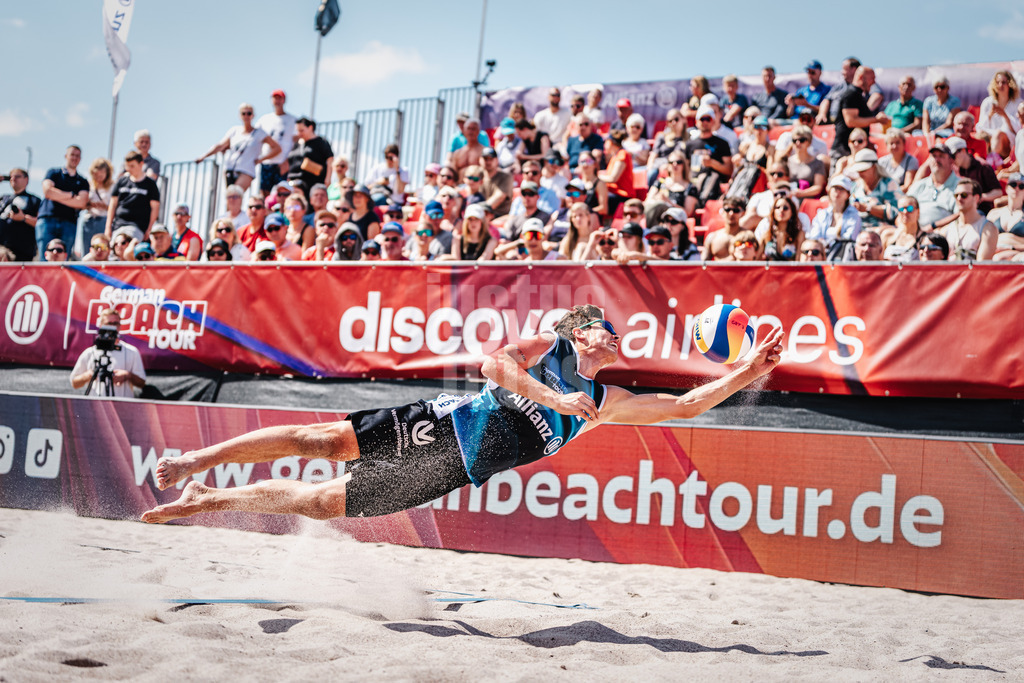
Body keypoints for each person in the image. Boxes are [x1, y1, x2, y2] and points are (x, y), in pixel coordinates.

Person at [140, 306, 783, 523]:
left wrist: (747, 371)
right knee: (319, 439)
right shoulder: (555, 350)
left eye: (615, 332)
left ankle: (210, 501)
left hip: (452, 470)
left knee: (318, 503)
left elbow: (690, 403)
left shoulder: (608, 403)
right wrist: (555, 398)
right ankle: (196, 460)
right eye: (604, 328)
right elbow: (494, 366)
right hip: (446, 422)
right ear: (582, 332)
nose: (615, 335)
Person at [195, 103, 280, 190]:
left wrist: (261, 159)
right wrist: (203, 156)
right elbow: (220, 145)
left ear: (253, 115)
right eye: (244, 113)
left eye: (249, 113)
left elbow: (277, 148)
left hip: (247, 170)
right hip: (230, 168)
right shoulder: (234, 130)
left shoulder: (259, 133)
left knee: (236, 194)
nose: (246, 116)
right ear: (240, 115)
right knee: (230, 197)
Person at [70, 308, 146, 398]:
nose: (112, 327)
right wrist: (88, 375)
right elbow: (74, 383)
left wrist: (128, 375)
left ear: (120, 325)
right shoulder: (90, 353)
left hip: (122, 407)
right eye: (109, 324)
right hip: (96, 406)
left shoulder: (132, 352)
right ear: (101, 325)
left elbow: (141, 383)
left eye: (115, 324)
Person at [38, 145, 90, 259]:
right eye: (72, 154)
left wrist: (56, 196)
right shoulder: (53, 173)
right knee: (44, 259)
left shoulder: (82, 181)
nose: (74, 158)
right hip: (47, 220)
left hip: (69, 223)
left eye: (77, 156)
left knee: (63, 262)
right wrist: (71, 195)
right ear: (66, 156)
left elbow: (81, 203)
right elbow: (47, 192)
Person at [832, 66, 889, 163]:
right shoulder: (851, 94)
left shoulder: (858, 95)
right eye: (872, 78)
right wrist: (877, 120)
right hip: (844, 151)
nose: (874, 82)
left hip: (853, 151)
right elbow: (851, 121)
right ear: (861, 78)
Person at [906, 139, 961, 230]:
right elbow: (903, 206)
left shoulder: (960, 186)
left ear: (951, 161)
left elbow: (961, 214)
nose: (936, 159)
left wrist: (934, 226)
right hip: (915, 231)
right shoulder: (920, 185)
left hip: (945, 232)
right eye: (933, 156)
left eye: (941, 156)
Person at [106, 151, 160, 241]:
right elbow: (112, 205)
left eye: (132, 166)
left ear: (141, 164)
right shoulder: (121, 181)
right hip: (118, 226)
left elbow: (155, 208)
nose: (128, 169)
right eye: (127, 166)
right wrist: (108, 228)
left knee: (126, 247)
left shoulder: (150, 184)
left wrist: (149, 230)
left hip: (138, 228)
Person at [685, 106, 733, 207]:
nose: (705, 122)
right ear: (697, 121)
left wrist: (712, 163)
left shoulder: (722, 143)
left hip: (713, 185)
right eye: (702, 119)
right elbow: (685, 167)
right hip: (693, 182)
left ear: (713, 121)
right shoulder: (690, 144)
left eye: (708, 119)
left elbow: (729, 170)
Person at [941, 179, 998, 261]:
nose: (959, 198)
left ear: (976, 198)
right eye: (956, 195)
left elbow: (982, 266)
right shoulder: (947, 229)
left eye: (964, 195)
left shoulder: (988, 229)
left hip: (972, 273)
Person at [807, 176, 862, 260]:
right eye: (835, 188)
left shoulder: (854, 215)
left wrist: (826, 243)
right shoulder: (822, 214)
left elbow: (849, 238)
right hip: (821, 255)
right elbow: (814, 236)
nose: (838, 192)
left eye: (842, 189)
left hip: (842, 256)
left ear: (848, 195)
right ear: (829, 191)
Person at [256, 90, 298, 197]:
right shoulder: (264, 119)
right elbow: (255, 138)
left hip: (282, 163)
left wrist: (288, 161)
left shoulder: (292, 120)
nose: (277, 101)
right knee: (264, 193)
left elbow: (297, 142)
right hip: (266, 163)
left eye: (280, 98)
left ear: (284, 100)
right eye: (275, 98)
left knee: (282, 193)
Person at [850, 150, 902, 229]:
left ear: (874, 167)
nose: (860, 173)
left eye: (864, 170)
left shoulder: (888, 184)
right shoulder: (856, 186)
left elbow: (896, 211)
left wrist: (868, 208)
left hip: (881, 231)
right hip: (857, 230)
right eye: (858, 171)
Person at [75, 158, 114, 259]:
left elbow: (115, 207)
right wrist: (89, 204)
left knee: (102, 250)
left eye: (101, 175)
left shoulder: (112, 186)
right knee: (88, 251)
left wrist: (104, 206)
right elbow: (81, 204)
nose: (98, 177)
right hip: (89, 220)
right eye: (96, 175)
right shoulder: (88, 185)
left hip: (104, 220)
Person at [977, 71, 1021, 160]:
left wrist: (1005, 115)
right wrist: (990, 115)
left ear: (1010, 84)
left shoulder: (1018, 103)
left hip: (1009, 142)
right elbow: (980, 127)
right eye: (998, 82)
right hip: (989, 137)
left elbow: (1019, 130)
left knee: (998, 134)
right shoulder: (987, 102)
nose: (1000, 85)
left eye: (1004, 82)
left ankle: (993, 165)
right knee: (979, 136)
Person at [0, 168, 41, 261]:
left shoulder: (34, 200)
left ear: (26, 179)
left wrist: (23, 218)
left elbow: (40, 224)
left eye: (17, 176)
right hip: (1, 249)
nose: (13, 179)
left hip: (22, 252)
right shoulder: (3, 198)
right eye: (11, 177)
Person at [287, 117, 334, 189]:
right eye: (297, 131)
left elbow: (330, 159)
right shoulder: (297, 144)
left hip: (312, 182)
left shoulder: (321, 142)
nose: (299, 133)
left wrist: (328, 178)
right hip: (294, 181)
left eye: (302, 130)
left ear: (310, 128)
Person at [756, 196, 803, 261]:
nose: (781, 210)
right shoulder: (767, 234)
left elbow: (800, 261)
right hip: (770, 270)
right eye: (777, 207)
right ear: (773, 211)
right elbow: (756, 259)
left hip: (791, 270)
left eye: (785, 208)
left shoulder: (799, 234)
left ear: (792, 212)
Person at [785, 124, 826, 200]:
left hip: (808, 201)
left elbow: (818, 187)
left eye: (802, 140)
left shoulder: (818, 163)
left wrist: (800, 193)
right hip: (789, 202)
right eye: (794, 140)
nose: (798, 143)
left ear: (809, 142)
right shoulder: (788, 162)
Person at [494, 219, 564, 261]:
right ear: (522, 236)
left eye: (537, 235)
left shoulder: (558, 259)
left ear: (543, 237)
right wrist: (518, 242)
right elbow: (498, 252)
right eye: (529, 235)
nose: (533, 240)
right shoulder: (525, 265)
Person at [878, 129, 920, 194]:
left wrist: (889, 193)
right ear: (887, 145)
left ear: (903, 144)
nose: (894, 146)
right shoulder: (882, 161)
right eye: (891, 143)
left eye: (897, 142)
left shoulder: (911, 161)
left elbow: (907, 186)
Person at [883, 196, 923, 262]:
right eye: (901, 209)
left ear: (918, 212)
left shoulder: (924, 238)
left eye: (910, 209)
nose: (905, 212)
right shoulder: (888, 235)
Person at [481, 148, 514, 218]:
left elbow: (498, 198)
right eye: (485, 159)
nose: (488, 162)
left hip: (499, 217)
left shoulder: (505, 177)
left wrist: (475, 210)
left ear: (497, 160)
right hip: (479, 217)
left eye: (491, 159)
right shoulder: (477, 175)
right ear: (480, 160)